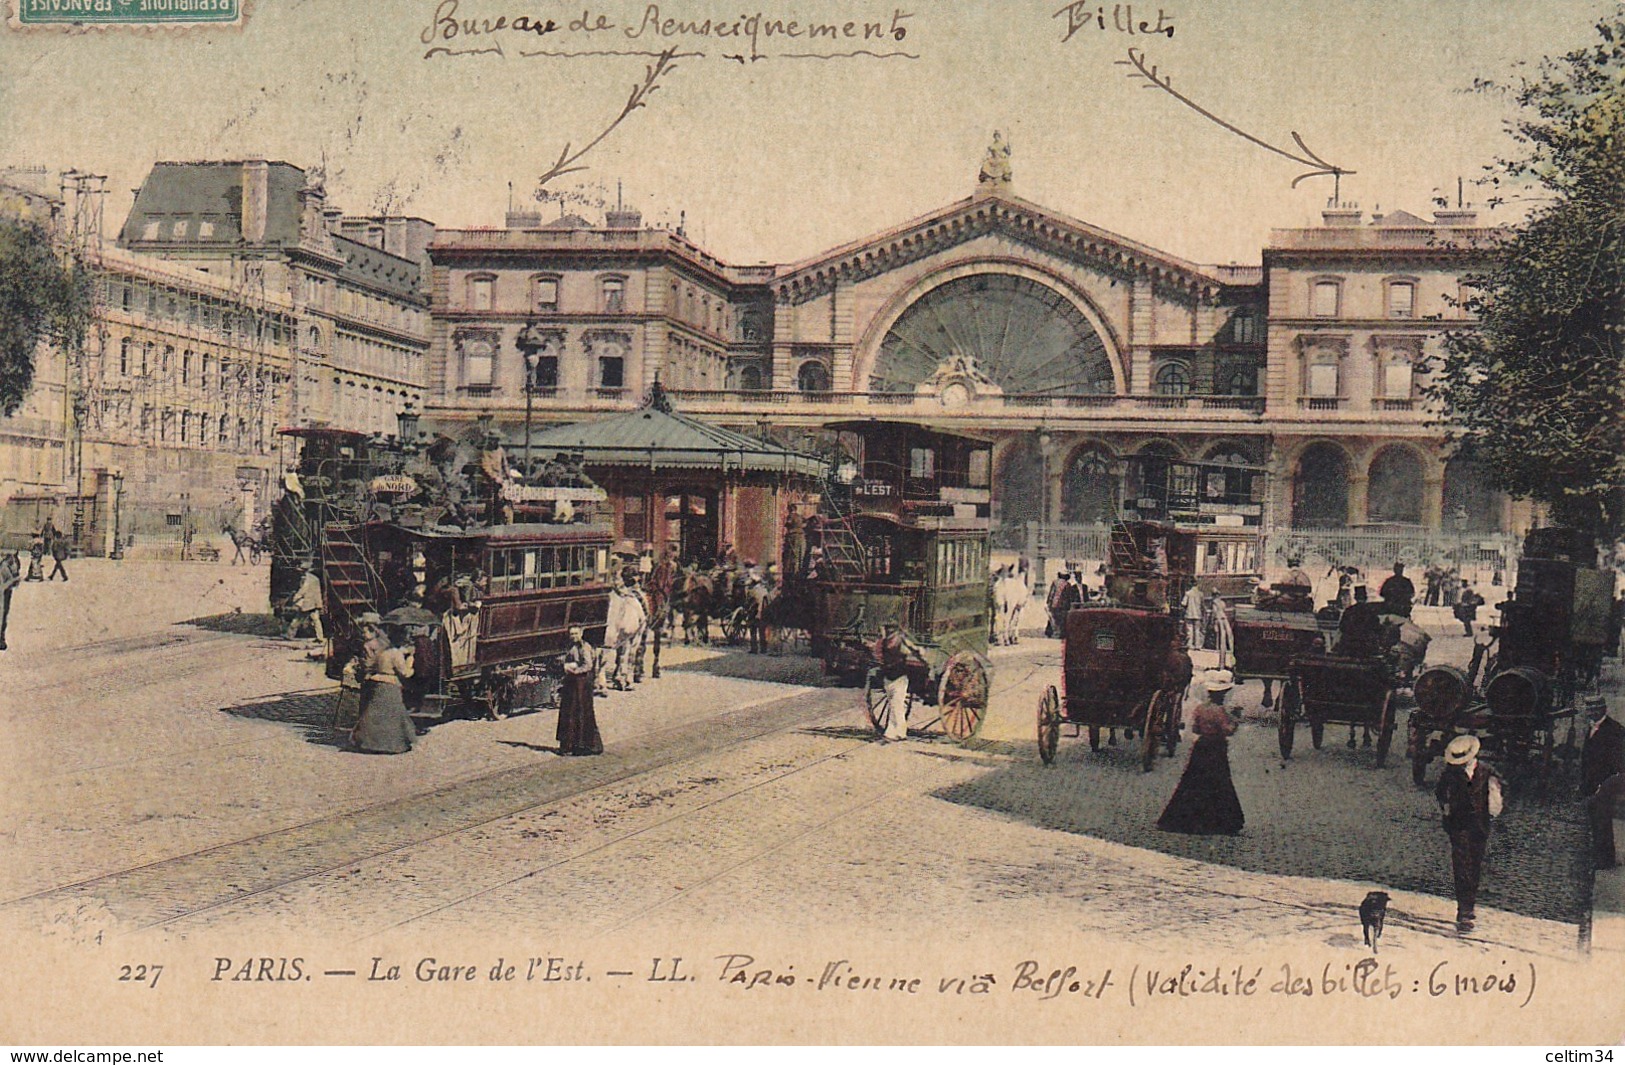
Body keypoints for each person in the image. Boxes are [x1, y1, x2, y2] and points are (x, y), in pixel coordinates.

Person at [1157, 669, 1243, 835]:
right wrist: (1236, 720)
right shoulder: (1220, 712)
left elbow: (1195, 728)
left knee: (1193, 782)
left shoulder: (1200, 709)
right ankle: (1218, 822)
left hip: (1201, 746)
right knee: (1219, 783)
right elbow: (1228, 730)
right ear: (1222, 694)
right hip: (1216, 747)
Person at [1434, 734, 1503, 933]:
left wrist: (1494, 806)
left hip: (1480, 826)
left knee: (1475, 864)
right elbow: (1440, 793)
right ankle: (1464, 910)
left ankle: (1469, 904)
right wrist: (1447, 809)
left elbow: (1498, 792)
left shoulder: (1487, 771)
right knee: (1462, 864)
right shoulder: (1450, 774)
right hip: (1458, 825)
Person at [351, 618, 416, 754]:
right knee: (394, 715)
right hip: (390, 684)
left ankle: (368, 742)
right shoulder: (396, 654)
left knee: (376, 716)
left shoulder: (383, 651)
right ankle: (393, 745)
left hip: (378, 682)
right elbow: (405, 673)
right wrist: (410, 661)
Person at [1581, 696, 1624, 868]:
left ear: (1604, 709)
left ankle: (1605, 860)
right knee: (1596, 822)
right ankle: (1600, 856)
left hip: (1605, 786)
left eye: (1595, 709)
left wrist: (1604, 786)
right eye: (1589, 709)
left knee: (1603, 822)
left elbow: (1619, 763)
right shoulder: (1592, 727)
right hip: (1592, 784)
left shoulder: (1615, 730)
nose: (1591, 712)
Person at [557, 625, 603, 756]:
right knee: (569, 712)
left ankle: (584, 745)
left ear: (581, 634)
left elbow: (588, 665)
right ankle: (569, 744)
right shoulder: (570, 647)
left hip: (582, 684)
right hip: (572, 683)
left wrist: (574, 670)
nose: (574, 636)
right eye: (572, 634)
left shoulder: (585, 647)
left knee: (581, 711)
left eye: (576, 634)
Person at [873, 621, 922, 743]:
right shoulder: (886, 642)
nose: (887, 631)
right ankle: (892, 731)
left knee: (896, 705)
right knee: (894, 705)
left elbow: (913, 650)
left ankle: (900, 732)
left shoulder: (898, 641)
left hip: (898, 677)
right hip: (890, 677)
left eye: (889, 629)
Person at [286, 566, 325, 641]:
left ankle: (289, 635)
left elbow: (303, 590)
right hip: (314, 603)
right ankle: (320, 637)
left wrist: (295, 598)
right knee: (316, 620)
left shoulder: (307, 580)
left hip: (308, 603)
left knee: (298, 619)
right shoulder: (315, 578)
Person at [1047, 570, 1081, 639]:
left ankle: (1050, 632)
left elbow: (1051, 593)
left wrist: (1048, 602)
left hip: (1054, 603)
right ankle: (1061, 634)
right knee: (1062, 619)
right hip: (1062, 605)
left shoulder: (1055, 582)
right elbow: (1068, 596)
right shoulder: (1067, 584)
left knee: (1053, 618)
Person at [0, 550, 19, 650]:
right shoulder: (4, 567)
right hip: (4, 592)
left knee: (3, 615)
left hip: (5, 592)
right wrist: (14, 580)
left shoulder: (8, 565)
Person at [1181, 581, 1205, 649]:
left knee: (1189, 630)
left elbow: (1184, 603)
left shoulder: (1188, 593)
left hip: (1189, 614)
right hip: (1198, 614)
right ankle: (1197, 645)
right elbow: (1203, 605)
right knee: (1197, 630)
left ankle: (1190, 644)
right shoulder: (1200, 594)